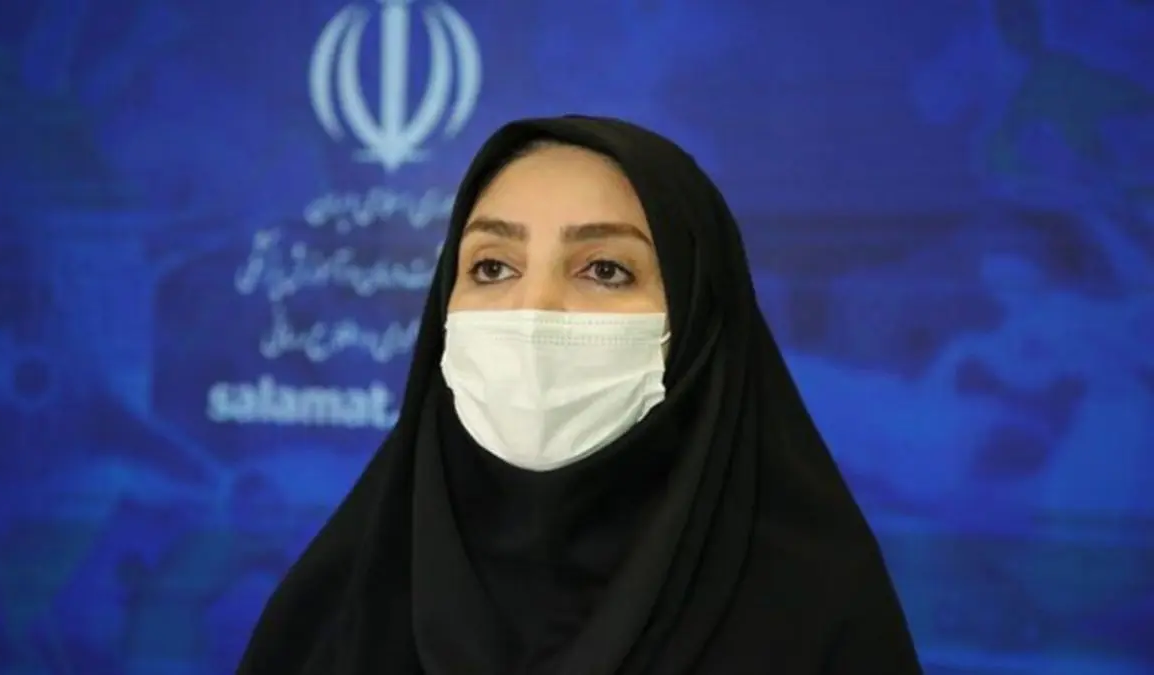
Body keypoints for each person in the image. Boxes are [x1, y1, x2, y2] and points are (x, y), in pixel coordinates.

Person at [236, 115, 922, 674]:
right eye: (492, 267)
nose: (536, 309)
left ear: (696, 321)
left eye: (605, 269)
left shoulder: (817, 615)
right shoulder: (340, 611)